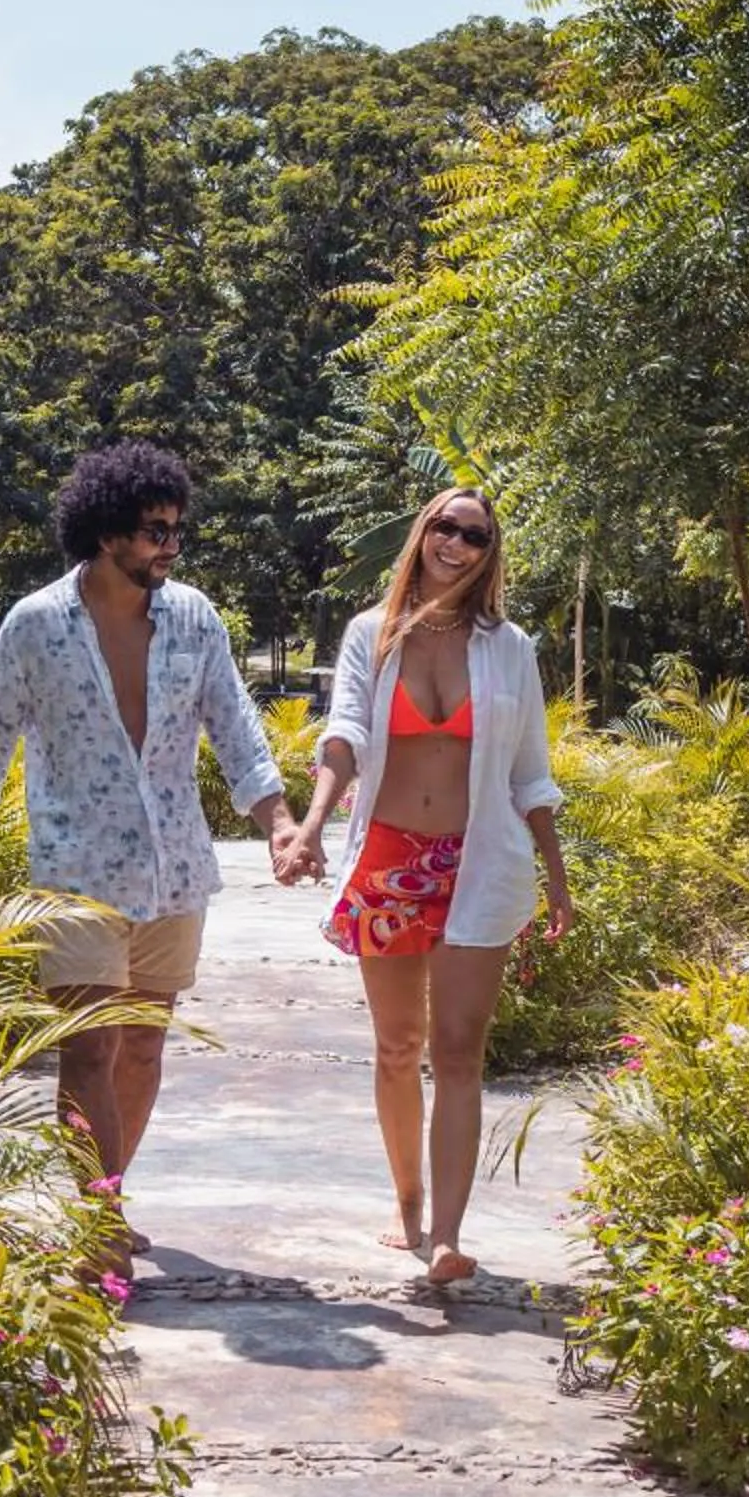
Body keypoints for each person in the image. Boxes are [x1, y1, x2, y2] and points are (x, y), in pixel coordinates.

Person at [0, 441, 300, 1244]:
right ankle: (99, 1224)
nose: (169, 543)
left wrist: (278, 822)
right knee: (87, 1051)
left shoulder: (194, 619)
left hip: (174, 869)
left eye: (176, 529)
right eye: (153, 530)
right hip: (74, 870)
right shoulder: (34, 626)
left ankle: (105, 1196)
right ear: (106, 534)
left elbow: (236, 729)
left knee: (141, 1047)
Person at [279, 489, 571, 1286]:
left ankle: (446, 1235)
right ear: (422, 534)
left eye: (474, 535)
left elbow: (532, 773)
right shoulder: (370, 636)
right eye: (445, 526)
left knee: (460, 1050)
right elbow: (345, 736)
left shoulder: (509, 647)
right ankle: (406, 1203)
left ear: (487, 553)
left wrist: (557, 878)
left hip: (478, 863)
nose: (456, 543)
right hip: (389, 862)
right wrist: (309, 826)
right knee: (398, 1046)